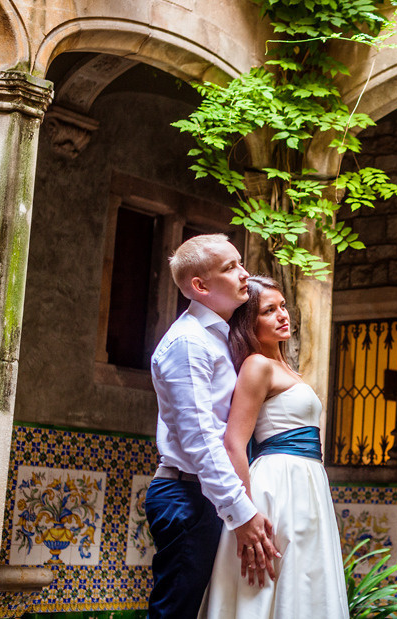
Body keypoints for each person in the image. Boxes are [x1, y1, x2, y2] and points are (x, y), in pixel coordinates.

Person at [144, 234, 280, 619]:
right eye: (230, 267)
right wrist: (243, 513)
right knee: (177, 612)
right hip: (187, 496)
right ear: (200, 287)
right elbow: (202, 441)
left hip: (208, 496)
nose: (244, 273)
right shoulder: (188, 344)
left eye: (240, 263)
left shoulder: (220, 337)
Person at [201, 275, 349, 618]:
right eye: (269, 310)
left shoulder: (288, 369)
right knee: (266, 582)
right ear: (250, 321)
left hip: (307, 485)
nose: (283, 315)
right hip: (277, 485)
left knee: (304, 582)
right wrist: (245, 516)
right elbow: (234, 444)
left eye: (283, 306)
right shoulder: (257, 366)